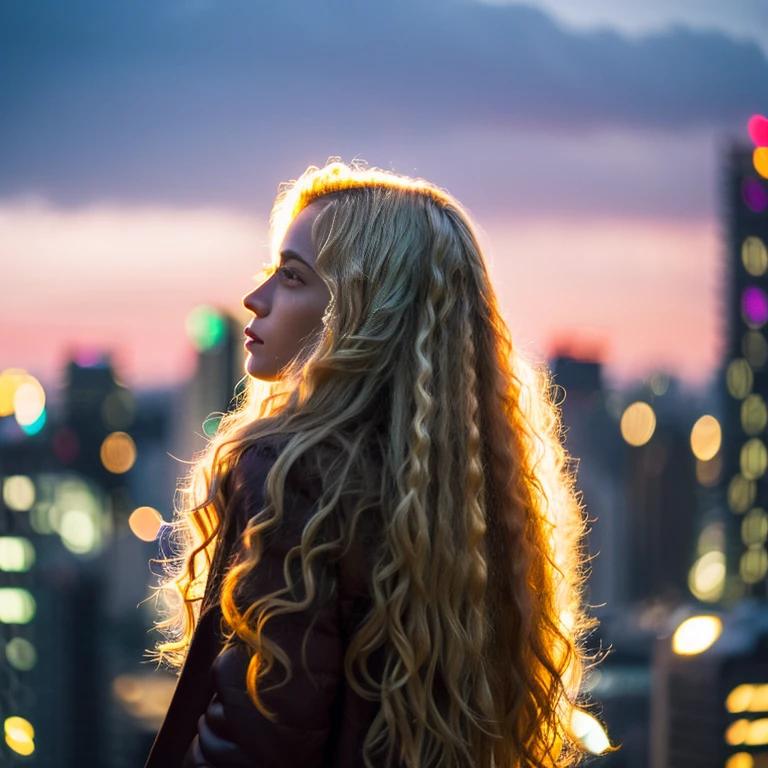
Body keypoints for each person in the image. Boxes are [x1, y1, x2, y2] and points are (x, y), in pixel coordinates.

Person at [143, 160, 598, 768]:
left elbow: (253, 744)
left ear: (362, 312)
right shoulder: (463, 493)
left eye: (294, 277)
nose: (255, 299)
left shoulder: (289, 480)